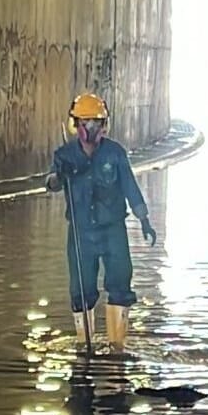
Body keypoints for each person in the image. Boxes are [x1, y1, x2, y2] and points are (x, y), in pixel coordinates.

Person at [44, 92, 157, 351]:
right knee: (81, 288)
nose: (91, 129)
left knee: (119, 282)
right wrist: (59, 177)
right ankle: (85, 345)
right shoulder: (65, 155)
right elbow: (50, 182)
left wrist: (144, 219)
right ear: (76, 125)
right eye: (86, 123)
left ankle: (117, 346)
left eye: (96, 122)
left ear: (104, 125)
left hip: (113, 230)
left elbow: (130, 186)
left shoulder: (115, 154)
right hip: (81, 234)